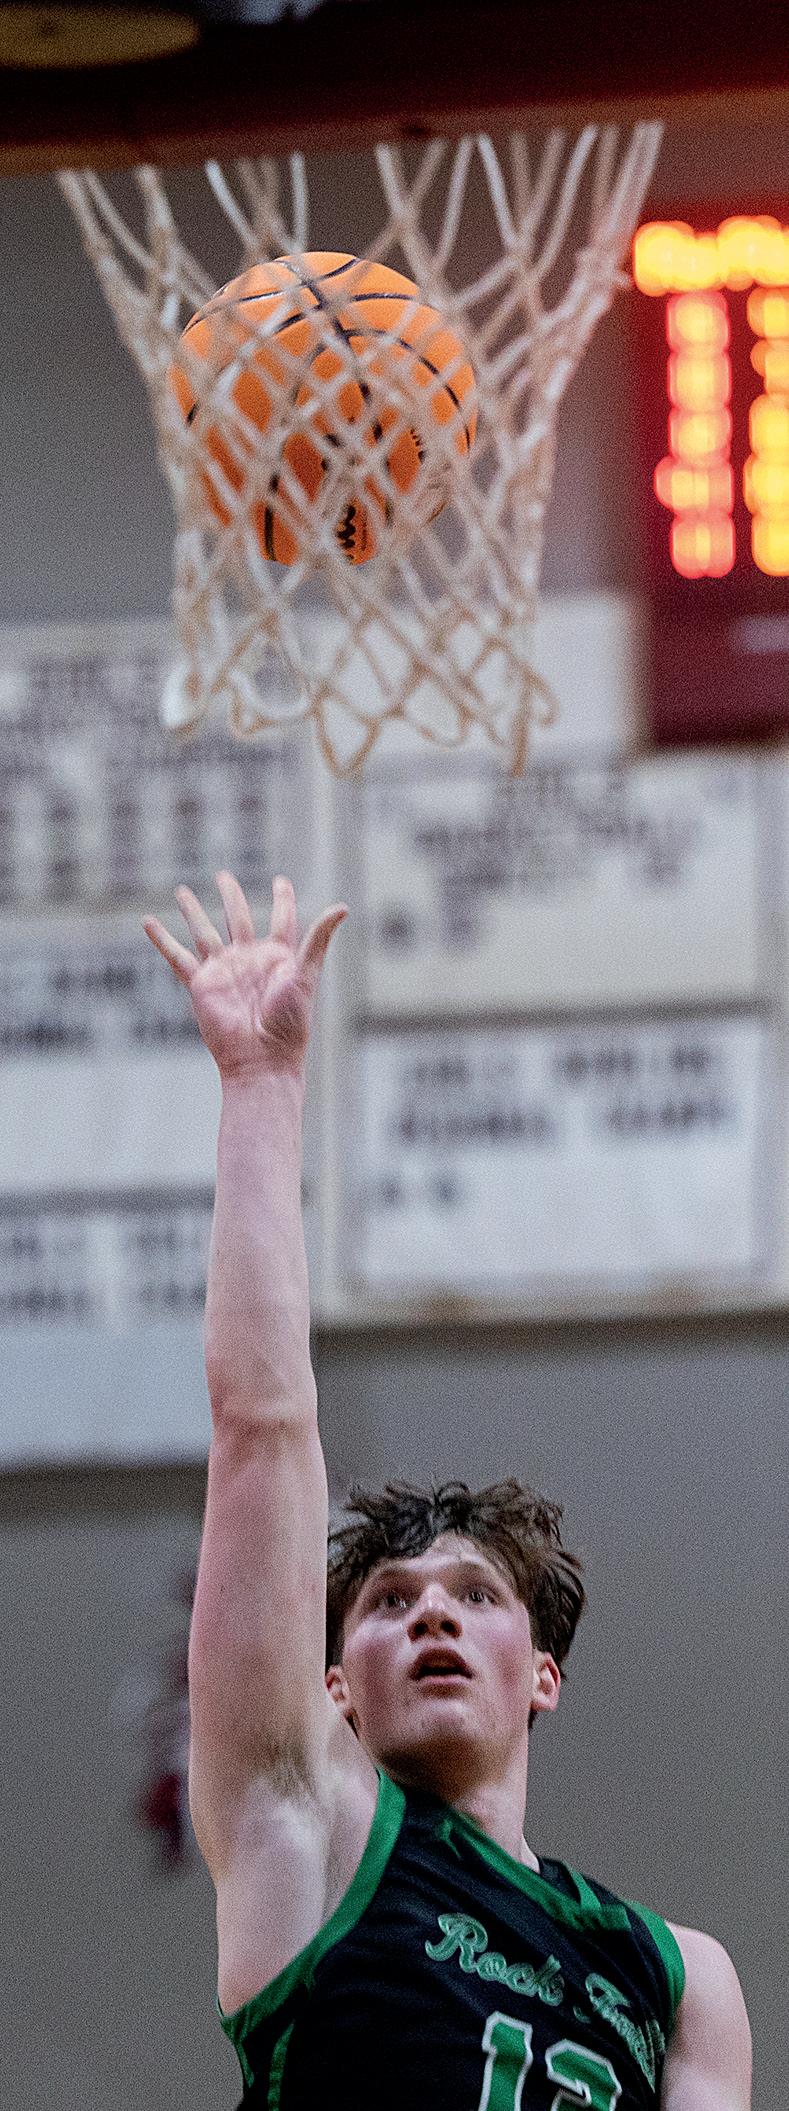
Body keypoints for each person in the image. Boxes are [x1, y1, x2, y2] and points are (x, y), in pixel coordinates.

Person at [144, 870, 752, 2110]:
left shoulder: (676, 1974)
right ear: (332, 1686)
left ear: (543, 1674)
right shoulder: (308, 1828)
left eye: (475, 1594)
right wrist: (260, 1086)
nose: (430, 1610)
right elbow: (260, 1426)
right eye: (387, 1601)